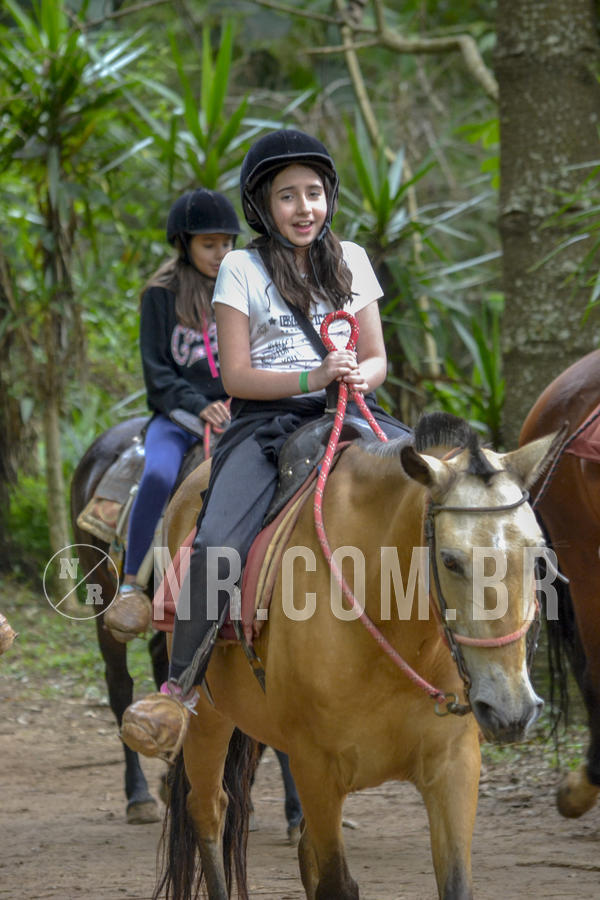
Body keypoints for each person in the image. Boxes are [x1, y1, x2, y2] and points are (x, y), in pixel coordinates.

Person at [120, 129, 410, 757]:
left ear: (329, 196)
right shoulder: (240, 267)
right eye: (287, 196)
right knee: (220, 540)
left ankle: (468, 661)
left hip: (353, 409)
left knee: (440, 490)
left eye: (314, 193)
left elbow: (378, 354)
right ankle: (179, 689)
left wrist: (361, 374)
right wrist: (314, 375)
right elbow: (235, 377)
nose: (305, 207)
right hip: (264, 423)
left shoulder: (352, 259)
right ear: (261, 205)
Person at [103, 189, 241, 642]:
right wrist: (199, 403)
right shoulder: (161, 295)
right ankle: (130, 583)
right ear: (184, 244)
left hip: (237, 412)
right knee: (161, 475)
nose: (220, 254)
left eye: (226, 243)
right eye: (208, 244)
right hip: (177, 415)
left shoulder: (244, 286)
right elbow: (156, 371)